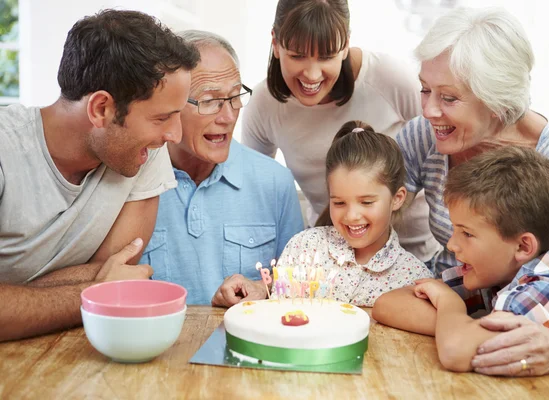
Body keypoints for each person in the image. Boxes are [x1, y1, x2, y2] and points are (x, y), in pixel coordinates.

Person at [373, 7, 549, 378]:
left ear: (498, 101)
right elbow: (360, 206)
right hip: (467, 316)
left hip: (539, 344)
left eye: (449, 98)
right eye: (425, 89)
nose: (429, 111)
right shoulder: (425, 135)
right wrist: (460, 321)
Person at [0, 9, 199, 341]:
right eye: (162, 117)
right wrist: (93, 290)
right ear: (101, 108)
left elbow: (118, 271)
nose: (175, 135)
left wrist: (16, 300)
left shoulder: (143, 152)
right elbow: (107, 288)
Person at [376, 147, 549, 398]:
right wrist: (460, 327)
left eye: (467, 233)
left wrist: (451, 307)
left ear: (523, 246)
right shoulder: (495, 272)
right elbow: (387, 304)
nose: (452, 244)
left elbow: (456, 351)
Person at [241, 0, 440, 263]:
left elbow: (443, 154)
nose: (312, 75)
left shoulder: (389, 79)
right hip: (332, 262)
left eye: (326, 56)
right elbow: (255, 191)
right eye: (297, 55)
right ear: (276, 44)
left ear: (345, 44)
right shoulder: (264, 104)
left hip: (413, 255)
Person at [139, 30, 304, 306]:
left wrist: (262, 289)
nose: (227, 116)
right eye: (209, 100)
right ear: (169, 104)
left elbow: (301, 287)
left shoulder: (275, 182)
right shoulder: (132, 181)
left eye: (234, 97)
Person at [271, 121, 432, 307]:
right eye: (339, 203)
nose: (352, 216)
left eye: (366, 202)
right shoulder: (304, 248)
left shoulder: (413, 278)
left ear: (397, 198)